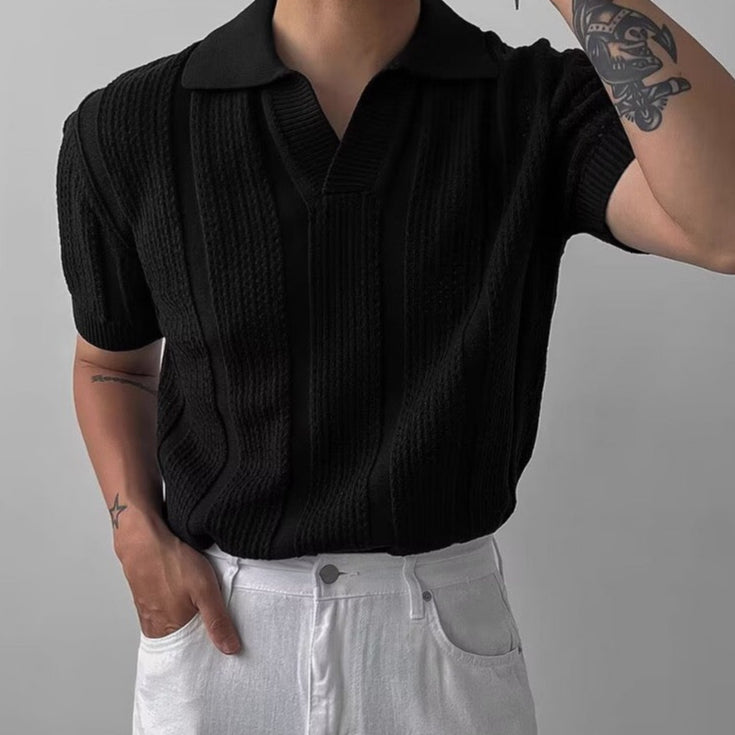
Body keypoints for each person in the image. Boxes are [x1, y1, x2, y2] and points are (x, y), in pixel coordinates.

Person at [55, 0, 735, 732]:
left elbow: (722, 228)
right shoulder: (129, 125)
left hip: (438, 642)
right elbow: (112, 364)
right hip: (221, 636)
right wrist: (133, 528)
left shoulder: (534, 103)